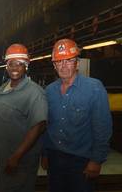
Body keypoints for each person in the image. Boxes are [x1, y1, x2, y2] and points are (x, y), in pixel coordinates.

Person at [42, 38, 112, 192]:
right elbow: (47, 126)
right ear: (54, 66)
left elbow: (102, 127)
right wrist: (45, 154)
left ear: (77, 63)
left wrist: (96, 160)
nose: (64, 65)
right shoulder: (49, 91)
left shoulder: (94, 88)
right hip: (55, 160)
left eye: (68, 60)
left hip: (81, 162)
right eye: (59, 62)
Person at [0, 44, 47, 192]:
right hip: (1, 158)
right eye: (11, 63)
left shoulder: (34, 93)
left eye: (20, 64)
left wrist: (16, 157)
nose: (15, 67)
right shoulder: (4, 88)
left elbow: (38, 126)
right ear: (6, 66)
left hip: (19, 162)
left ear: (26, 67)